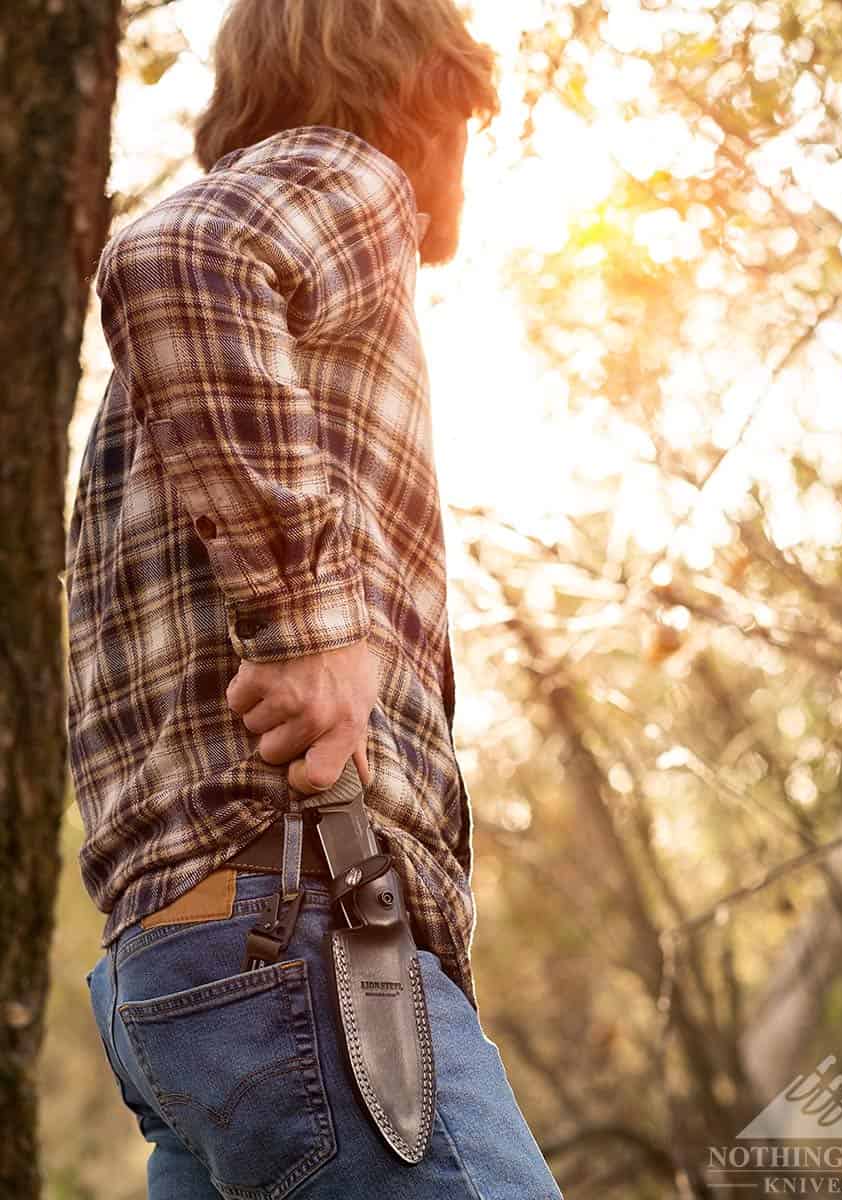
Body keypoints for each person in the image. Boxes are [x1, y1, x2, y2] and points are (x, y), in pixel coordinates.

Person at [65, 1, 566, 1197]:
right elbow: (178, 252)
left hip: (175, 982)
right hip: (301, 933)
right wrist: (310, 622)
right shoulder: (349, 172)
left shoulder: (192, 397)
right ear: (432, 99)